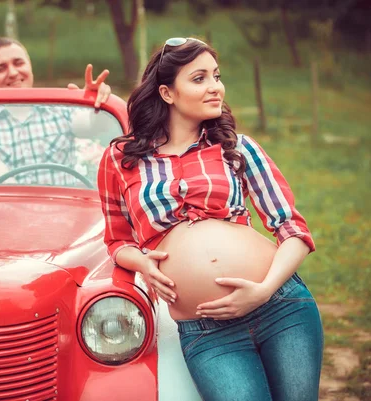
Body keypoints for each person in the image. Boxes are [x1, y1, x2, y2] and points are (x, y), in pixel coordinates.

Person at [97, 37, 323, 401]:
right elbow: (116, 241)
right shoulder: (121, 159)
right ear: (168, 93)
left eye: (216, 76)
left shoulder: (239, 148)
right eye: (199, 78)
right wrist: (144, 264)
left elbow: (293, 230)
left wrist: (263, 291)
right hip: (206, 332)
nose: (215, 87)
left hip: (281, 308)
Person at [0, 37, 112, 185]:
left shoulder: (61, 110)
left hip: (65, 210)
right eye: (0, 69)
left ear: (29, 66)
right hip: (8, 210)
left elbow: (92, 126)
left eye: (18, 63)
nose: (12, 73)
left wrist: (96, 103)